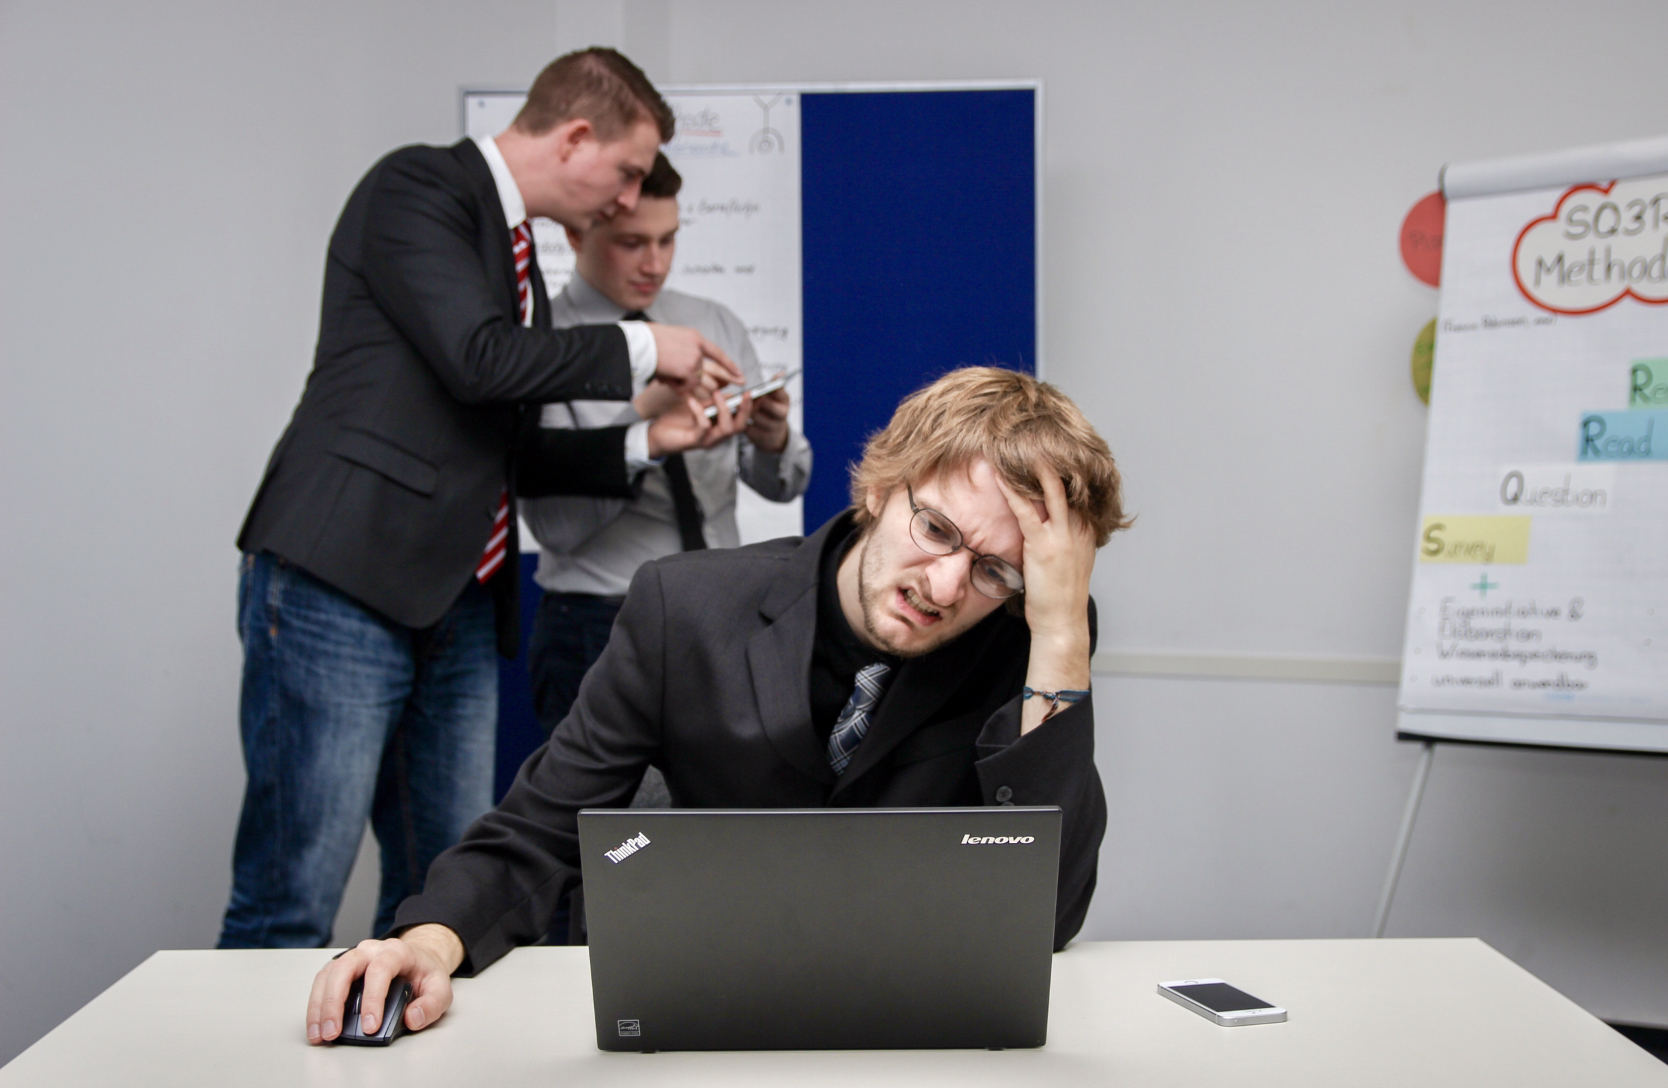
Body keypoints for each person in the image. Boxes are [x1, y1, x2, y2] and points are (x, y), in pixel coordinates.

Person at [304, 367, 1132, 1044]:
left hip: (905, 1033)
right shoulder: (685, 608)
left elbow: (1046, 918)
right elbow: (540, 825)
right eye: (939, 531)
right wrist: (426, 940)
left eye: (997, 571)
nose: (947, 586)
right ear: (883, 486)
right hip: (697, 1020)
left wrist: (1060, 634)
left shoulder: (1029, 642)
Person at [221, 47, 749, 950]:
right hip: (343, 584)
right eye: (625, 173)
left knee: (441, 898)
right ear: (577, 137)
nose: (629, 201)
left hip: (459, 603)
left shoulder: (517, 266)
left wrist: (649, 439)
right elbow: (478, 363)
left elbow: (512, 449)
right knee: (291, 897)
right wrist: (646, 348)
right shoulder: (417, 190)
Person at [521, 150, 812, 759]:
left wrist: (771, 439)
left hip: (729, 616)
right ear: (576, 232)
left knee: (732, 822)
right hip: (598, 623)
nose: (655, 262)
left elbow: (785, 485)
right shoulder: (543, 346)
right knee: (603, 837)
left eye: (668, 240)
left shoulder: (711, 323)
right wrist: (645, 421)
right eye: (631, 242)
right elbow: (557, 529)